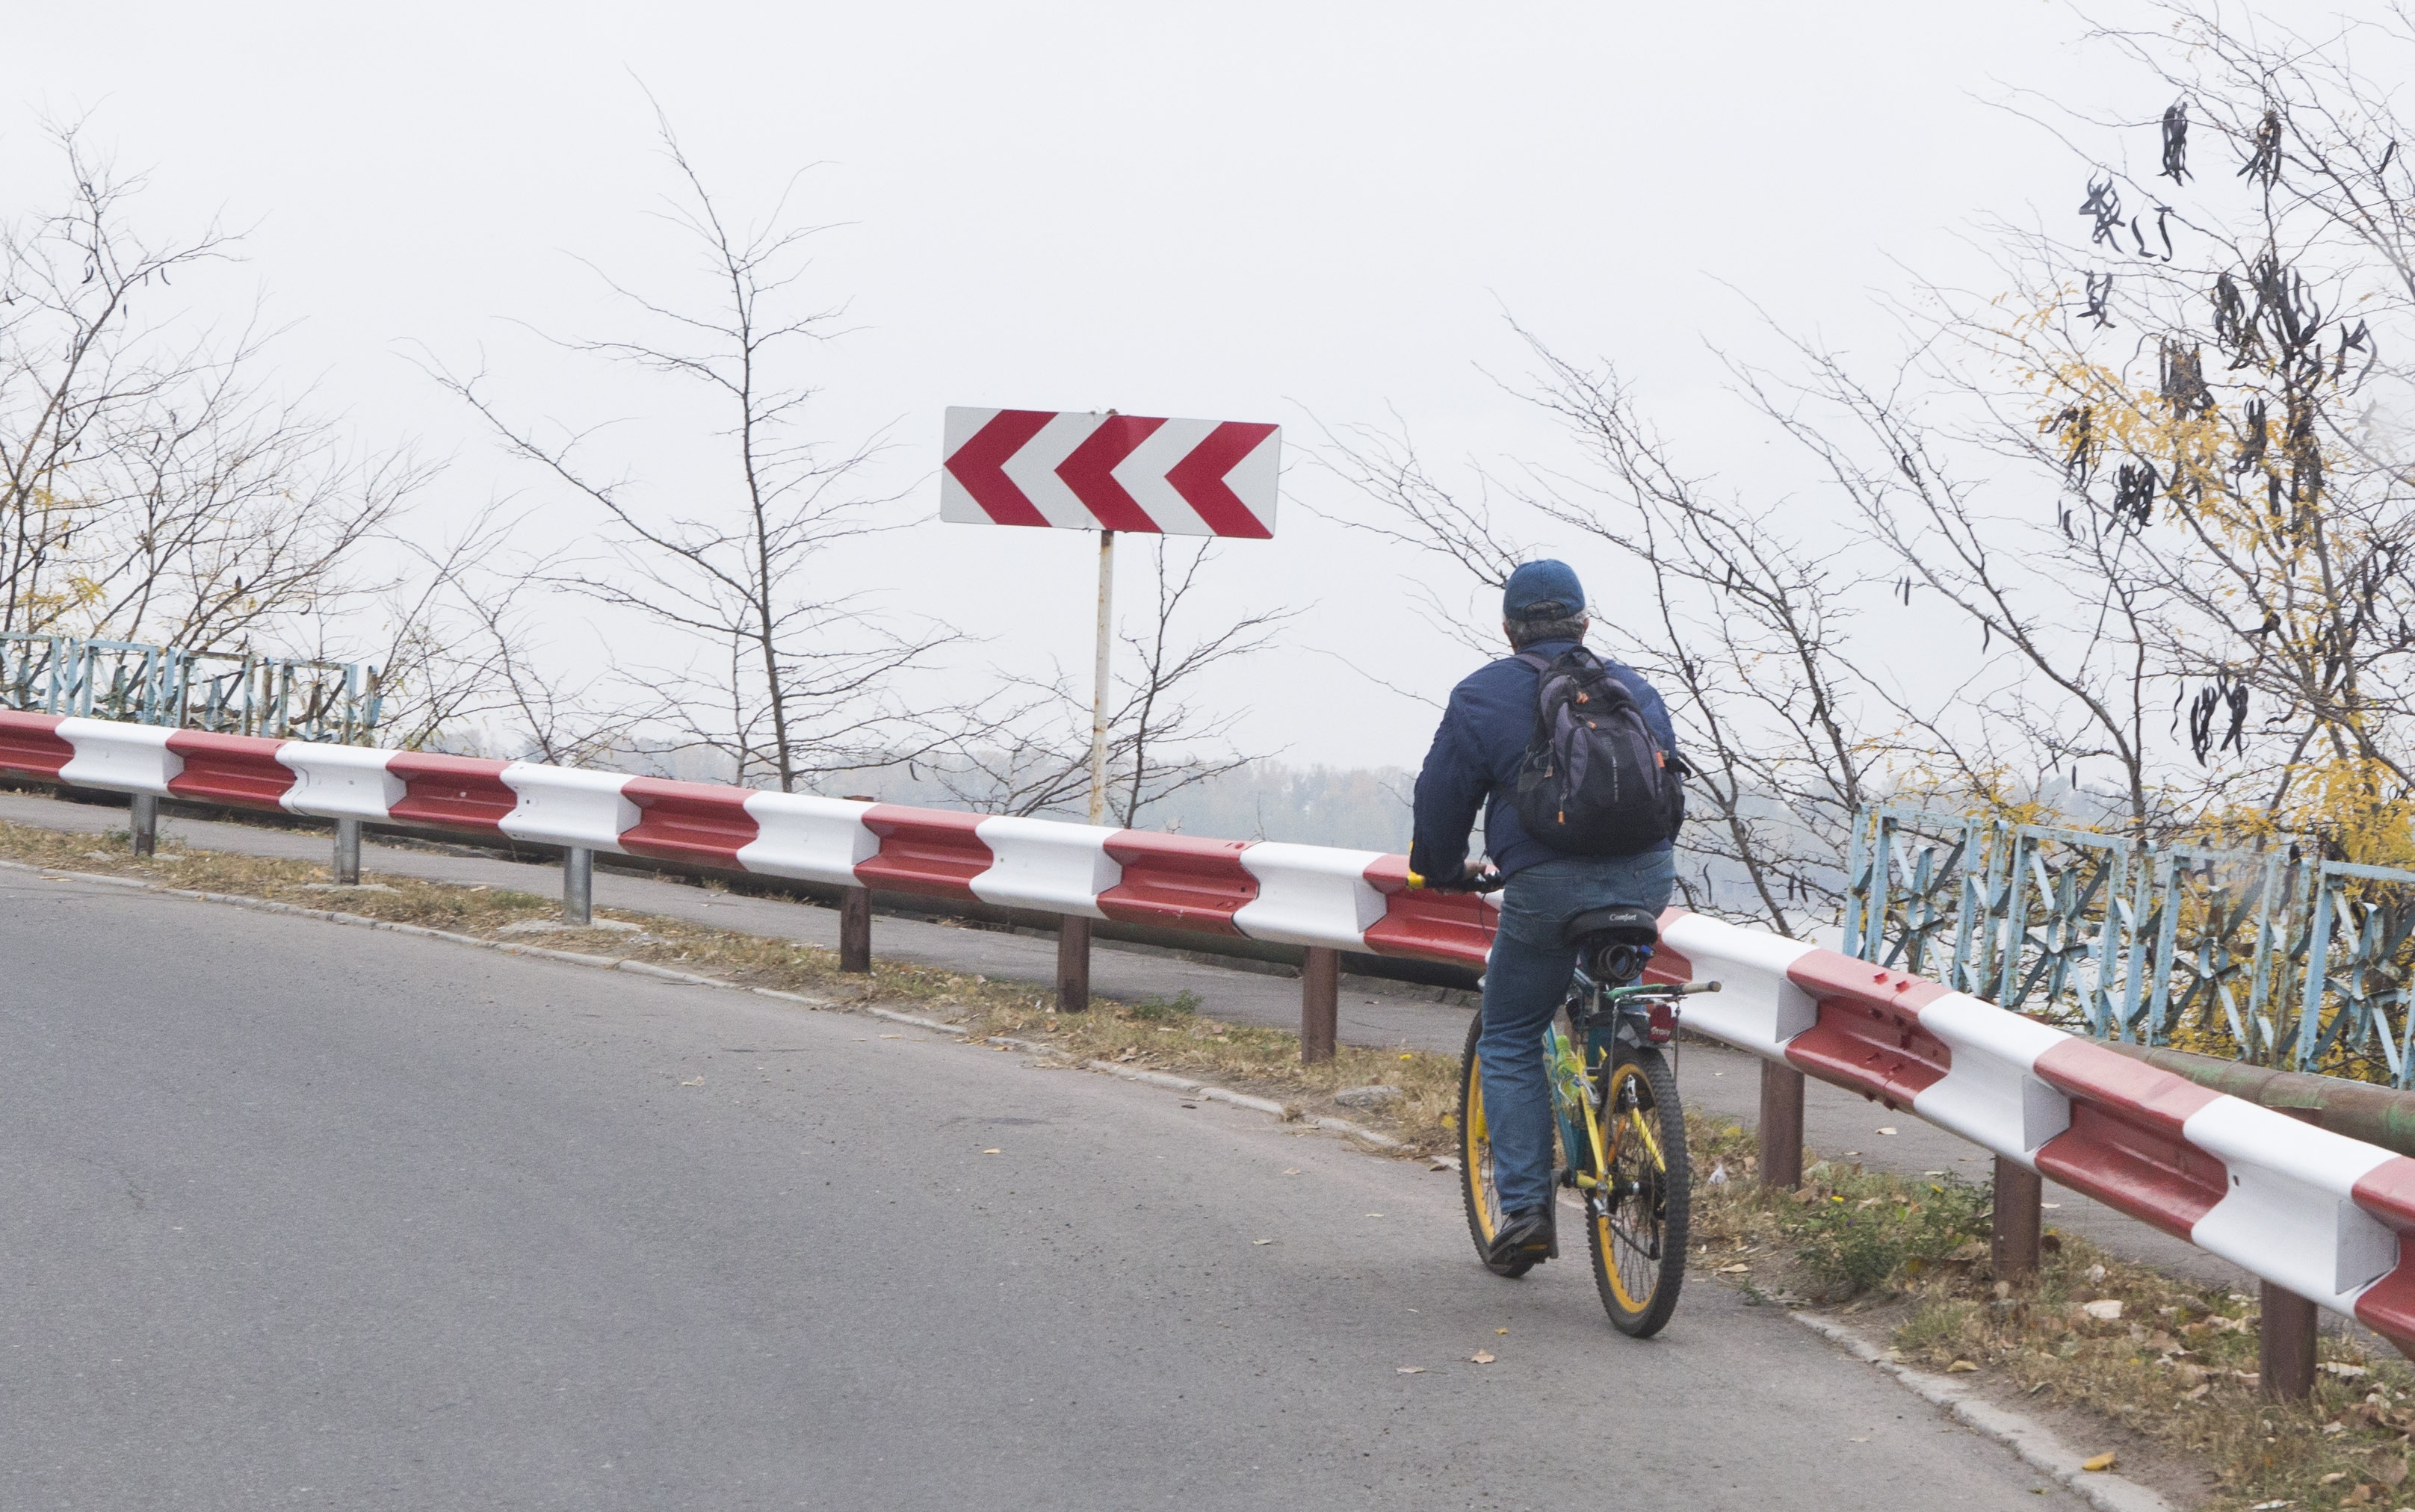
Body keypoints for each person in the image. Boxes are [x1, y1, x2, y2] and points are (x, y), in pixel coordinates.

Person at [1407, 559, 1680, 1268]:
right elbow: (1665, 793)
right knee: (1612, 989)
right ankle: (1624, 1068)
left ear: (1508, 629)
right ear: (1585, 623)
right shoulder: (1635, 689)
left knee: (1508, 1034)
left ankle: (1526, 1209)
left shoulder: (1481, 696)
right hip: (1646, 879)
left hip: (1545, 887)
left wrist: (1441, 870)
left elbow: (1441, 801)